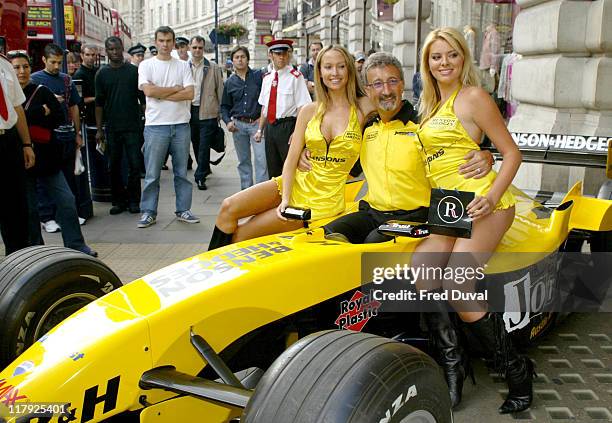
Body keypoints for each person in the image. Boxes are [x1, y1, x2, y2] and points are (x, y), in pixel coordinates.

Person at [299, 52, 494, 407]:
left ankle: (453, 360)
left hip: (416, 215)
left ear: (403, 84)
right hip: (373, 209)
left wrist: (485, 153)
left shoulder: (424, 122)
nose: (385, 90)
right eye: (376, 83)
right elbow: (329, 148)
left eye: (392, 81)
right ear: (367, 89)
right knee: (327, 237)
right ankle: (323, 340)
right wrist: (301, 156)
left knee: (375, 251)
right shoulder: (366, 124)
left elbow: (463, 148)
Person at [414, 27, 528, 414]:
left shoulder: (474, 97)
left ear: (464, 59)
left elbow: (511, 153)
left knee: (457, 283)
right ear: (426, 63)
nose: (444, 63)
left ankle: (515, 370)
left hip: (485, 202)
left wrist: (491, 193)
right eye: (436, 57)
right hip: (447, 206)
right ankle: (454, 365)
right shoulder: (427, 106)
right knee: (423, 272)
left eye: (452, 55)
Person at [209, 45, 374, 250]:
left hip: (319, 202)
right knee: (227, 207)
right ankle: (206, 273)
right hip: (292, 183)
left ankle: (223, 275)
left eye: (341, 66)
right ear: (319, 72)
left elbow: (393, 104)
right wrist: (285, 199)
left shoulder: (364, 107)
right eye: (328, 67)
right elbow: (291, 160)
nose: (335, 73)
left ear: (349, 69)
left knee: (241, 235)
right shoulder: (309, 111)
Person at [10, 51, 98, 257]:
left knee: (66, 200)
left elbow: (59, 118)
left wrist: (36, 117)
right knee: (30, 210)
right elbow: (11, 121)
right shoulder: (6, 95)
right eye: (16, 67)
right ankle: (36, 252)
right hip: (20, 163)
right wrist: (39, 112)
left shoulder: (41, 91)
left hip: (48, 160)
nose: (22, 72)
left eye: (25, 67)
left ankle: (76, 245)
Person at [137, 26, 199, 228]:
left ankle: (183, 209)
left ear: (174, 43)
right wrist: (173, 89)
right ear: (156, 42)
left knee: (182, 172)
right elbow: (148, 91)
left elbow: (190, 94)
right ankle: (148, 212)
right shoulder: (146, 65)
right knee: (152, 174)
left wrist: (159, 93)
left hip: (181, 125)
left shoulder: (182, 66)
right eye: (161, 40)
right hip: (156, 126)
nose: (165, 44)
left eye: (168, 41)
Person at [31, 43, 88, 230]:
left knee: (67, 178)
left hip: (66, 135)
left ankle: (66, 215)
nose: (57, 66)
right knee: (45, 178)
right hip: (45, 137)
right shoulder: (35, 80)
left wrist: (77, 133)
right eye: (53, 62)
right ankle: (47, 217)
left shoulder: (66, 79)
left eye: (59, 62)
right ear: (44, 60)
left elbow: (74, 106)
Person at [95, 36, 145, 215]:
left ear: (122, 48)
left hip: (132, 127)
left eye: (117, 48)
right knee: (114, 165)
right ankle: (118, 201)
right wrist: (100, 129)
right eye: (111, 49)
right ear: (106, 51)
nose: (114, 52)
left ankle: (134, 201)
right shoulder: (101, 74)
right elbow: (99, 104)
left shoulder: (133, 71)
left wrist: (147, 122)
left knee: (134, 165)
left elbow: (143, 99)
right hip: (112, 128)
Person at [255, 39, 311, 178]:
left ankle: (291, 198)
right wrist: (260, 130)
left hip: (288, 127)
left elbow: (302, 107)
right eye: (278, 53)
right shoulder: (267, 78)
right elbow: (265, 107)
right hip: (270, 127)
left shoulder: (295, 77)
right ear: (270, 55)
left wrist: (297, 132)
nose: (282, 57)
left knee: (291, 167)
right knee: (273, 168)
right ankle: (276, 198)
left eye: (285, 54)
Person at [0, 46, 35, 255]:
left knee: (15, 210)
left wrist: (26, 144)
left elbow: (16, 107)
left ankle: (17, 263)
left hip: (8, 142)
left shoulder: (4, 64)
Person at [221, 46, 267, 190]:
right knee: (243, 161)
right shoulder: (229, 82)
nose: (240, 60)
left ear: (247, 59)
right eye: (237, 57)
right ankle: (247, 192)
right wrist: (228, 122)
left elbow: (266, 99)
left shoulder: (258, 76)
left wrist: (262, 118)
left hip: (257, 125)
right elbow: (224, 106)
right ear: (233, 61)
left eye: (243, 57)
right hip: (238, 126)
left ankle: (261, 193)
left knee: (262, 159)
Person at [188, 35, 223, 191]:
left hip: (208, 111)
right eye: (194, 47)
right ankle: (205, 167)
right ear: (190, 48)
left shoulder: (213, 67)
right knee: (196, 143)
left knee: (203, 145)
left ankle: (200, 176)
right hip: (189, 112)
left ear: (204, 49)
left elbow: (220, 89)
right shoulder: (184, 66)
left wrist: (221, 111)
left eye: (200, 48)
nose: (197, 50)